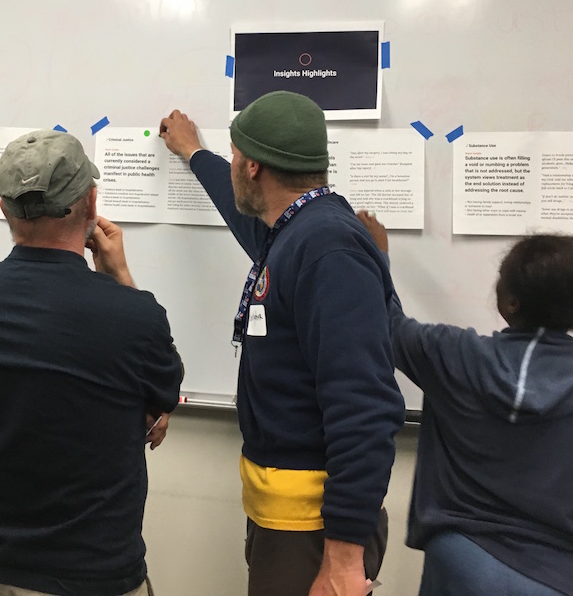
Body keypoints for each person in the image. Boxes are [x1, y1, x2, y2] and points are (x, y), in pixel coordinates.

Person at [357, 211, 573, 596]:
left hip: (463, 573)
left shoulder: (453, 357)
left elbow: (384, 322)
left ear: (511, 302)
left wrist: (376, 254)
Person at [159, 92, 404, 596]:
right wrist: (193, 152)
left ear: (250, 168)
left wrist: (342, 558)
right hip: (286, 516)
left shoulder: (326, 247)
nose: (229, 167)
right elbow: (242, 216)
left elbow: (365, 407)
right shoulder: (293, 231)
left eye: (231, 157)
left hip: (314, 531)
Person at [0, 129, 183, 596]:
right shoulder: (134, 315)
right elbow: (161, 396)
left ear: (6, 208)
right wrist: (119, 277)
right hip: (92, 576)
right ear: (91, 203)